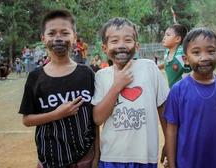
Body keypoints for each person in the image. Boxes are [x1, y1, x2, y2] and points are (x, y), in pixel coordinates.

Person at [18, 9, 99, 168]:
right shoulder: (35, 77)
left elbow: (94, 119)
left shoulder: (87, 73)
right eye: (52, 33)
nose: (58, 38)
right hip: (49, 158)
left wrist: (97, 154)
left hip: (84, 158)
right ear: (43, 38)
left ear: (74, 37)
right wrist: (57, 114)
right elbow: (27, 120)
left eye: (64, 33)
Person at [91, 17, 169, 168]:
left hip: (145, 156)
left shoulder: (149, 68)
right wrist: (117, 86)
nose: (121, 46)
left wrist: (169, 142)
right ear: (104, 48)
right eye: (114, 41)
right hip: (112, 156)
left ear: (137, 46)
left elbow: (163, 109)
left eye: (127, 40)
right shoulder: (101, 76)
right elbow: (97, 118)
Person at [164, 27, 216, 168]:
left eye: (211, 51)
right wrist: (172, 163)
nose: (204, 57)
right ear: (185, 59)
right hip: (186, 163)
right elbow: (171, 130)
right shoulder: (178, 91)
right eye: (196, 52)